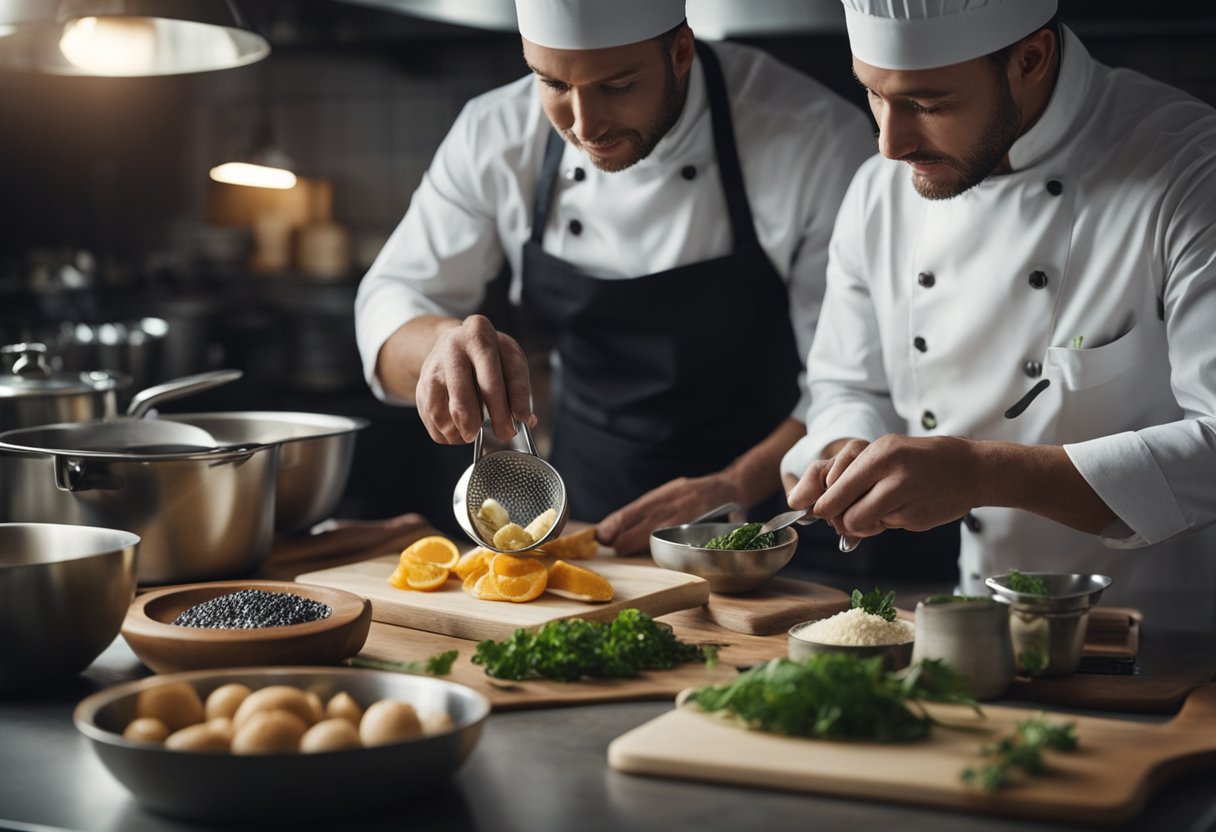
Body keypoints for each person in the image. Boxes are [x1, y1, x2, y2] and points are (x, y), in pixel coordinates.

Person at [355, 0, 873, 553]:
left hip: (776, 519)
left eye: (617, 86)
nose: (584, 124)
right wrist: (439, 346)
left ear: (680, 51)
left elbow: (851, 380)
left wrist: (734, 485)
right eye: (552, 83)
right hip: (586, 515)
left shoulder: (815, 138)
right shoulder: (495, 134)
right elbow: (392, 299)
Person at [781, 0, 1216, 631]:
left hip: (1168, 636)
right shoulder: (878, 192)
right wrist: (845, 446)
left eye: (929, 104)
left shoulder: (1189, 170)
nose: (890, 143)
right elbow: (849, 385)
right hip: (980, 623)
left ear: (1030, 58)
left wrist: (983, 473)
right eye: (873, 94)